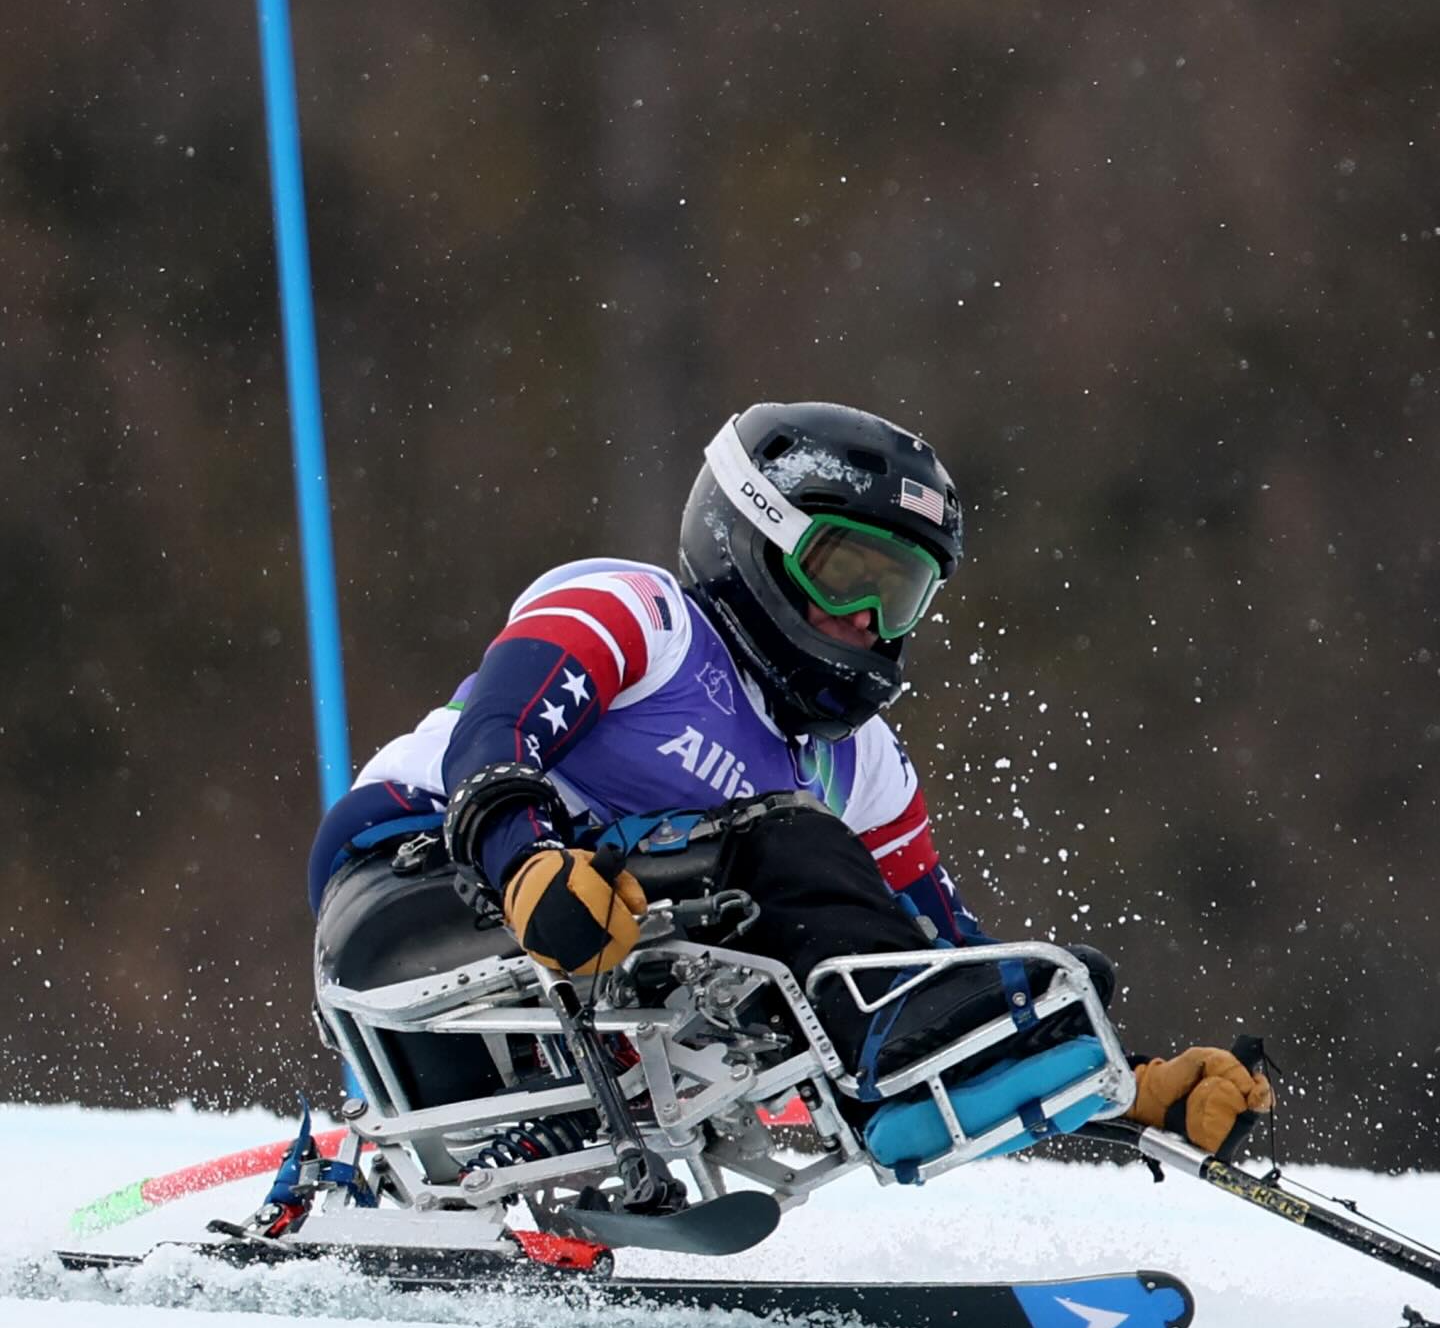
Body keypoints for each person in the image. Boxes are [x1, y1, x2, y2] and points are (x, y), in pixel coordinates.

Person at [308, 401, 1272, 1154]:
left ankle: (910, 1091)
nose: (868, 622)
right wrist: (525, 862)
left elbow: (934, 960)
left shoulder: (863, 761)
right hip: (413, 897)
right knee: (783, 846)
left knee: (868, 974)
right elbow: (495, 735)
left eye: (900, 595)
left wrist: (1111, 1075)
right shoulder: (641, 614)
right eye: (846, 573)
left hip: (594, 986)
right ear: (752, 538)